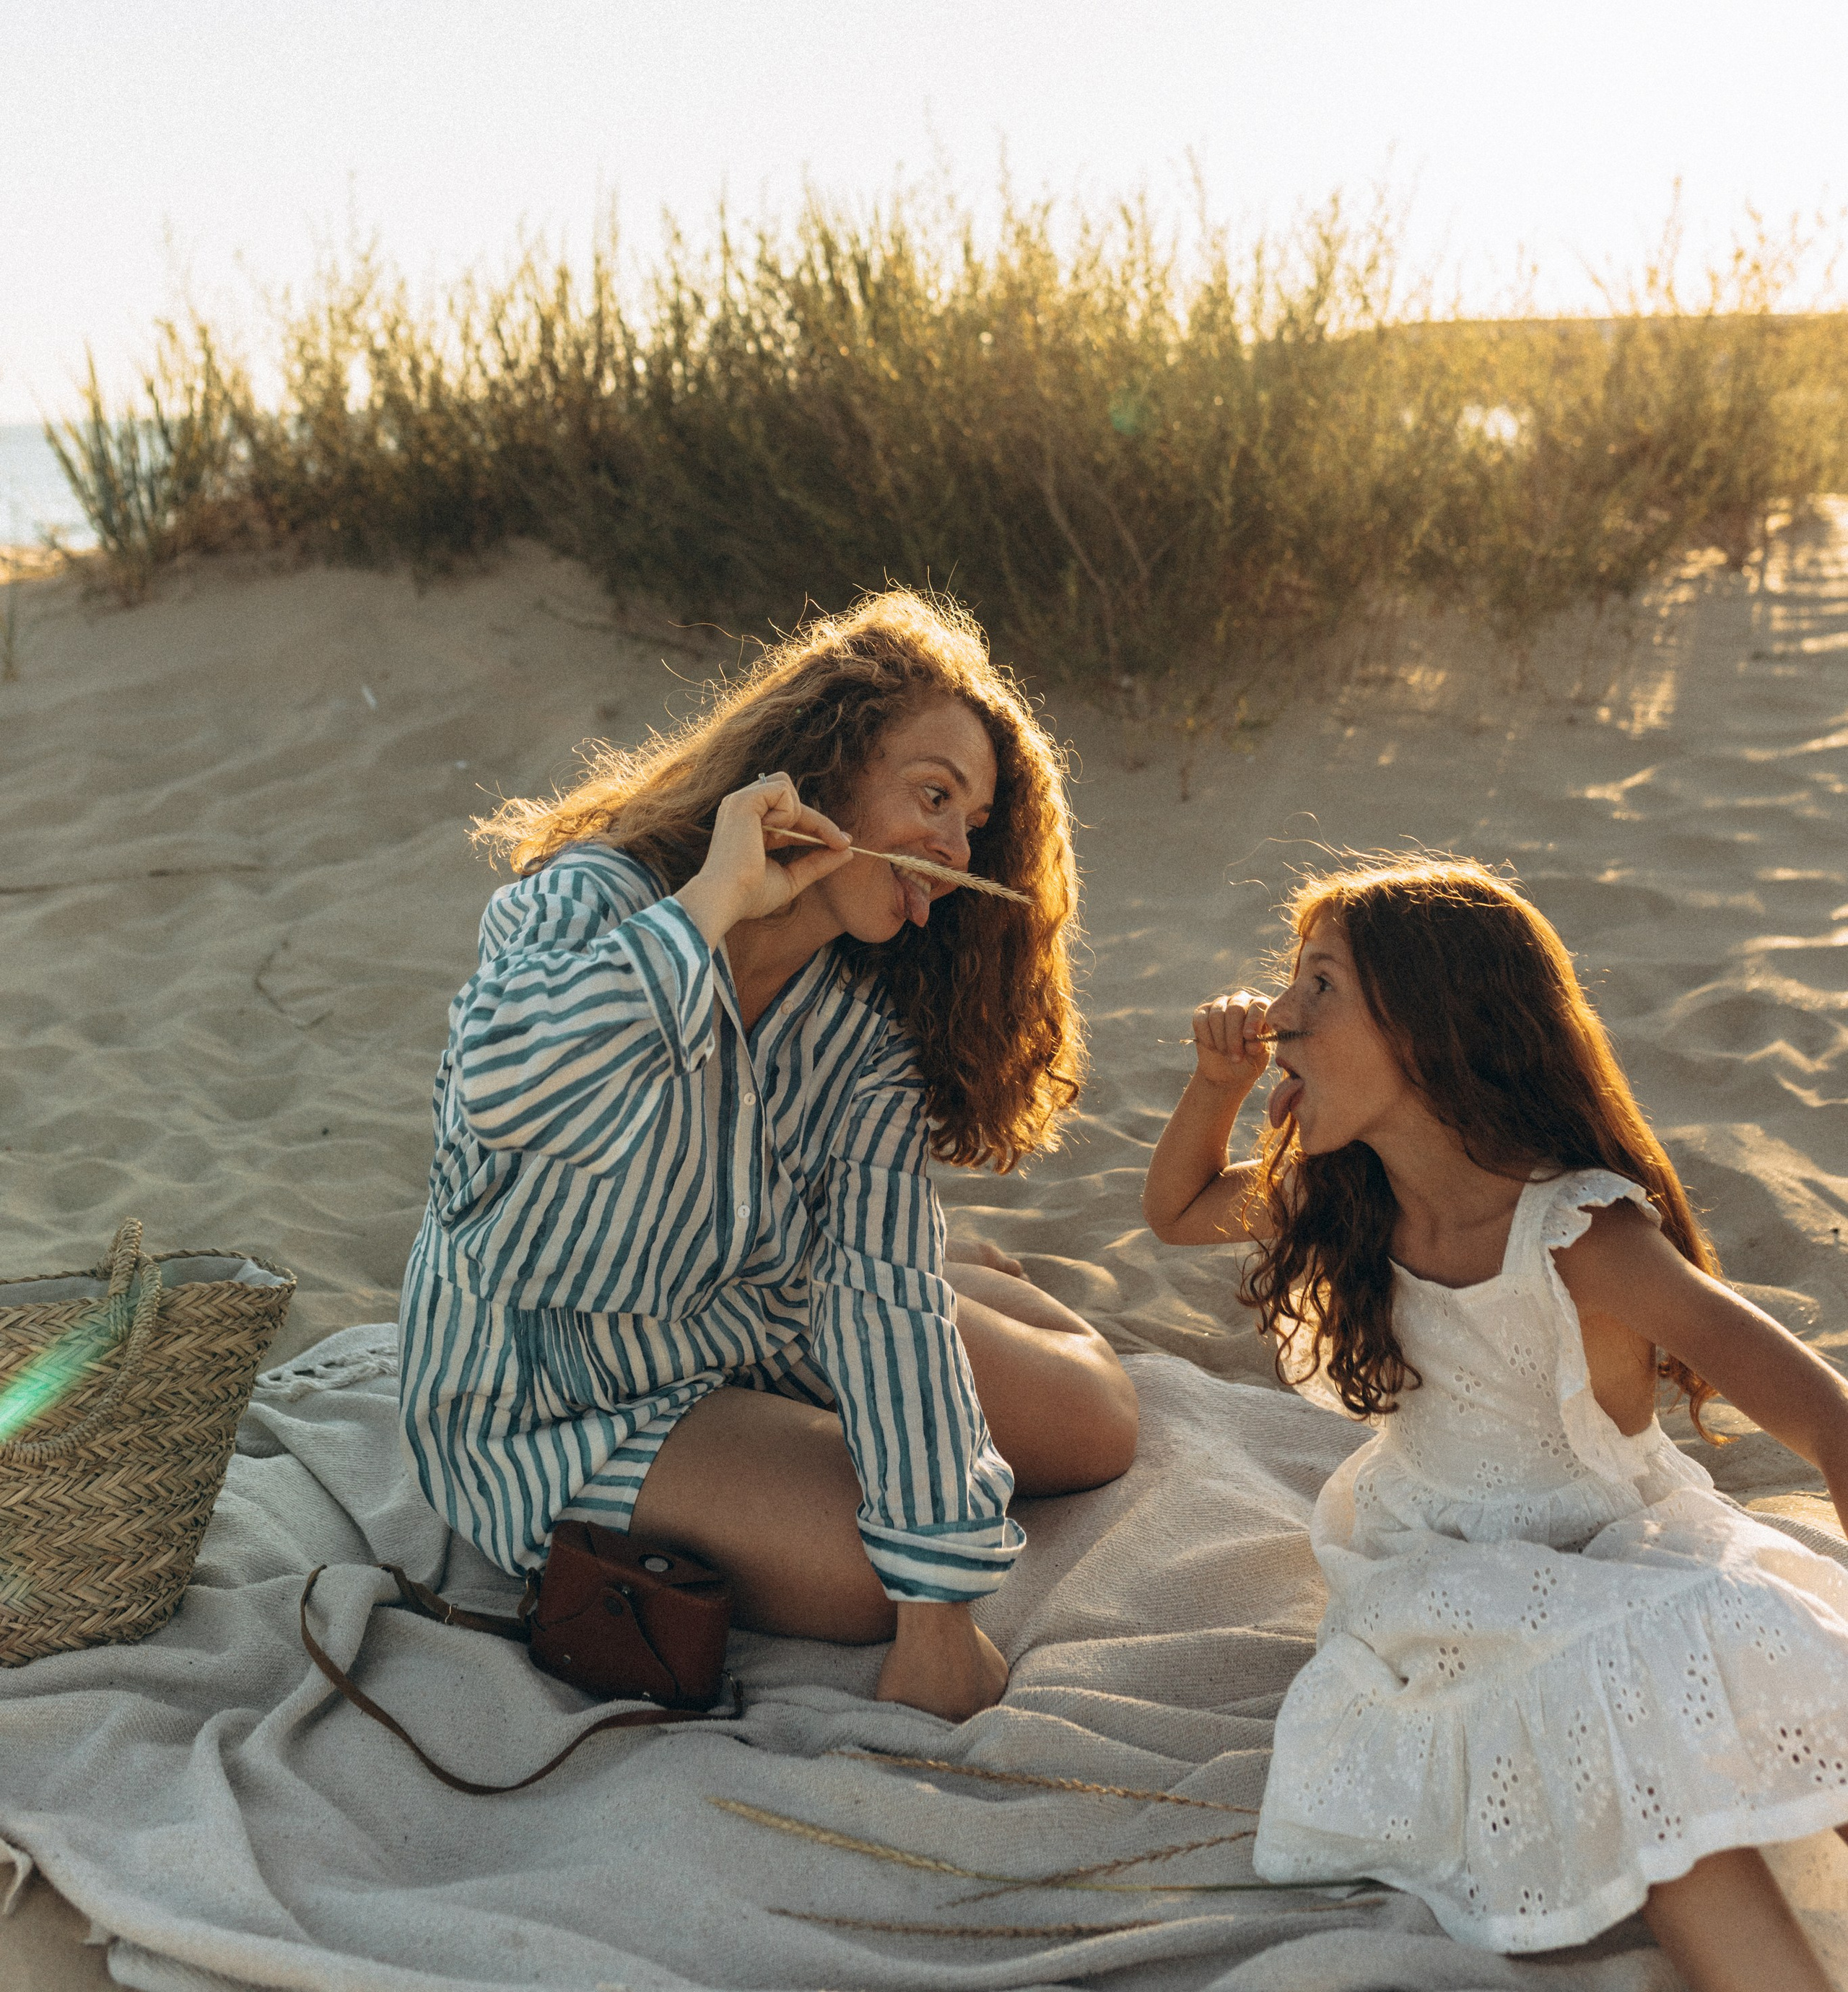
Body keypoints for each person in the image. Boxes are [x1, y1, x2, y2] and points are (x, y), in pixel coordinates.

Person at [399, 589, 1138, 1724]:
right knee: (860, 1575)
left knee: (1096, 1425)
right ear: (823, 774)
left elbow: (883, 1292)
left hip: (756, 1318)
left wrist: (945, 1622)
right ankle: (938, 1306)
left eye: (974, 824)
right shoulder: (591, 901)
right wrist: (708, 907)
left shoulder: (867, 1022)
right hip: (552, 1392)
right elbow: (503, 1093)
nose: (952, 847)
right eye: (932, 797)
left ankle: (962, 1284)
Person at [1143, 854, 1848, 1992]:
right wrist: (1216, 1087)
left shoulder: (1580, 1236)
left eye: (1320, 987)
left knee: (1756, 1652)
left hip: (1629, 1547)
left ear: (1429, 1033)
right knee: (1627, 1716)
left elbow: (1821, 1408)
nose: (1278, 1016)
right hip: (1442, 1577)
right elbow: (1177, 1211)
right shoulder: (1344, 1202)